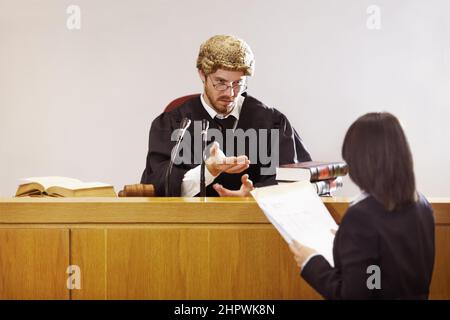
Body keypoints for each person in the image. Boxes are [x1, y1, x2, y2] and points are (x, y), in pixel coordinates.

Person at [141, 35, 311, 196]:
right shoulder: (174, 124)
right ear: (202, 74)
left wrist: (254, 195)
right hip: (190, 223)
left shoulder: (271, 122)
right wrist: (208, 171)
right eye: (220, 82)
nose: (230, 93)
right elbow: (159, 186)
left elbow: (295, 182)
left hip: (254, 222)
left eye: (238, 83)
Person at [289, 112, 435, 299]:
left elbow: (354, 295)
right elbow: (385, 266)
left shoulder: (361, 217)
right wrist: (347, 241)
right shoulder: (422, 205)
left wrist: (311, 262)